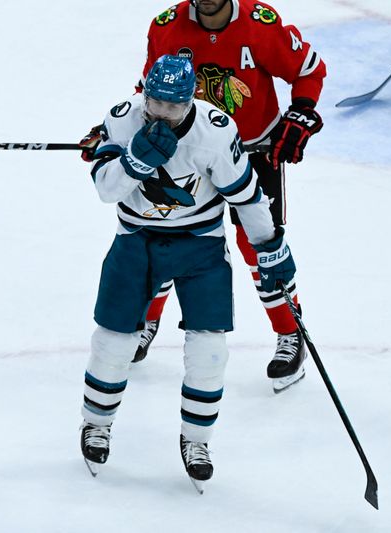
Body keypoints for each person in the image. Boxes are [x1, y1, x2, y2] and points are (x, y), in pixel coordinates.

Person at [80, 54, 296, 491]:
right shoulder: (122, 120)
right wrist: (133, 163)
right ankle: (96, 425)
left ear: (190, 100)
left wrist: (269, 246)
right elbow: (106, 190)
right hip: (135, 239)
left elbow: (246, 194)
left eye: (171, 106)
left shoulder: (215, 132)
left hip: (200, 245)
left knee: (210, 351)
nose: (160, 113)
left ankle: (197, 440)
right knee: (112, 341)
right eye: (154, 102)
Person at [127, 0, 325, 395]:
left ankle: (290, 332)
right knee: (169, 232)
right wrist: (114, 136)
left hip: (253, 151)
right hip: (189, 154)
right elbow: (147, 93)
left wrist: (301, 112)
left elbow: (309, 71)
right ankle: (146, 322)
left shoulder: (259, 24)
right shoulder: (166, 26)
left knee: (260, 244)